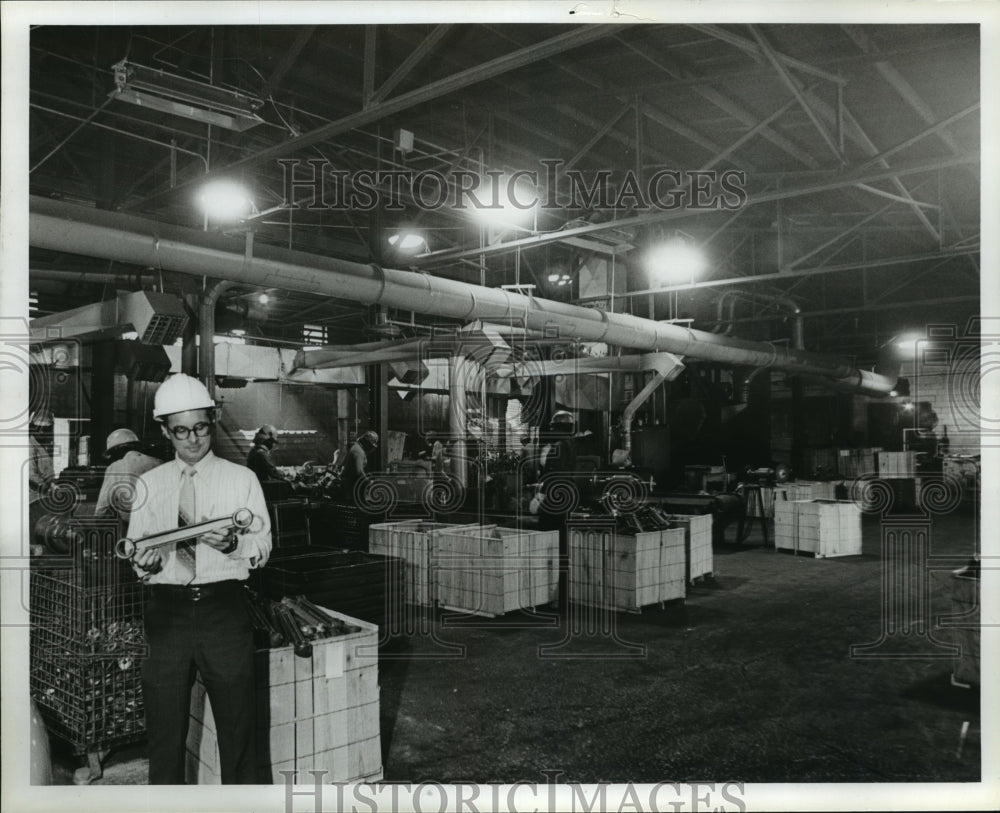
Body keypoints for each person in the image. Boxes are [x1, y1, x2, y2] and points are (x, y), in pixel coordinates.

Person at [127, 373, 271, 785]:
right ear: (164, 430)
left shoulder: (241, 479)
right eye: (180, 431)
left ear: (213, 419)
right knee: (164, 736)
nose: (192, 439)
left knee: (239, 736)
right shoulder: (148, 486)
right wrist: (148, 564)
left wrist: (232, 548)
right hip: (166, 617)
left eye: (201, 427)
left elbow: (262, 546)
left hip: (224, 612)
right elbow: (137, 555)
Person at [95, 428, 162, 519]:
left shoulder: (114, 468)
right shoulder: (159, 463)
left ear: (116, 451)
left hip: (132, 525)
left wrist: (97, 526)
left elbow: (102, 508)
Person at [341, 430, 378, 497]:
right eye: (370, 445)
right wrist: (368, 482)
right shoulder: (358, 451)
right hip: (351, 485)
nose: (370, 448)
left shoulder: (357, 447)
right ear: (366, 442)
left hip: (350, 484)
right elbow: (359, 471)